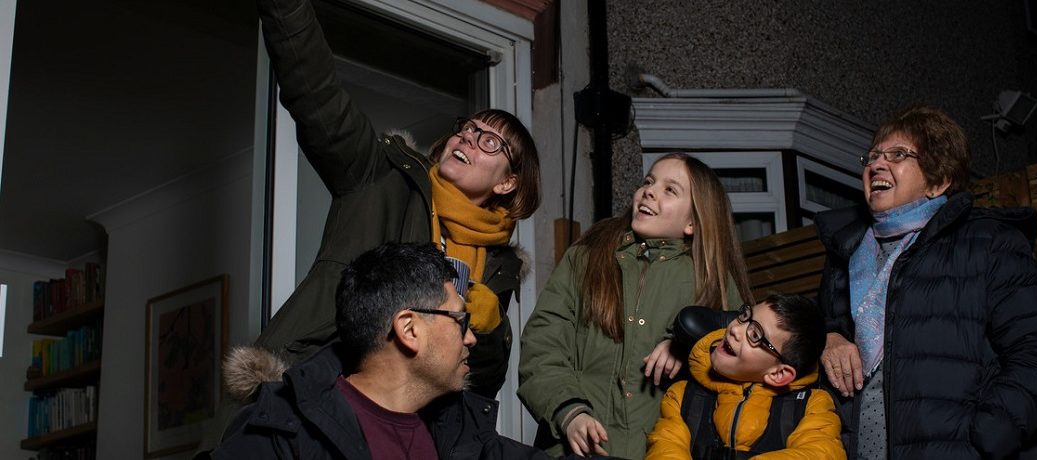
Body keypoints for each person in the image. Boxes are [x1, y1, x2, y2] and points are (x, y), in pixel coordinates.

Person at [251, 0, 541, 401]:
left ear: (509, 182)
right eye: (468, 129)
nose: (468, 138)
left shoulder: (496, 266)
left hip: (408, 427)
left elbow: (480, 385)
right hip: (310, 396)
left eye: (489, 141)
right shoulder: (383, 178)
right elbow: (316, 95)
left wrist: (489, 329)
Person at [816, 106, 1037, 458]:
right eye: (872, 156)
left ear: (938, 181)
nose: (876, 165)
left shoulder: (989, 243)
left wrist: (981, 441)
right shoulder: (846, 253)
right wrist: (827, 338)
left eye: (898, 154)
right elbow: (818, 328)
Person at [211, 242, 572, 460]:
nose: (471, 339)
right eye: (460, 321)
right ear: (410, 329)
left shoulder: (457, 434)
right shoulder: (281, 433)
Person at [518, 152, 754, 459]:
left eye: (670, 190)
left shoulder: (712, 281)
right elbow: (542, 342)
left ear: (693, 223)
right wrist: (569, 412)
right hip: (574, 448)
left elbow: (747, 355)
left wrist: (688, 345)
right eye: (649, 181)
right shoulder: (587, 257)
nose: (650, 191)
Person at [645, 295, 845, 459]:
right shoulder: (681, 396)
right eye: (744, 316)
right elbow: (665, 448)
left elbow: (821, 453)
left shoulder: (812, 405)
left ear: (779, 373)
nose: (735, 329)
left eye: (755, 335)